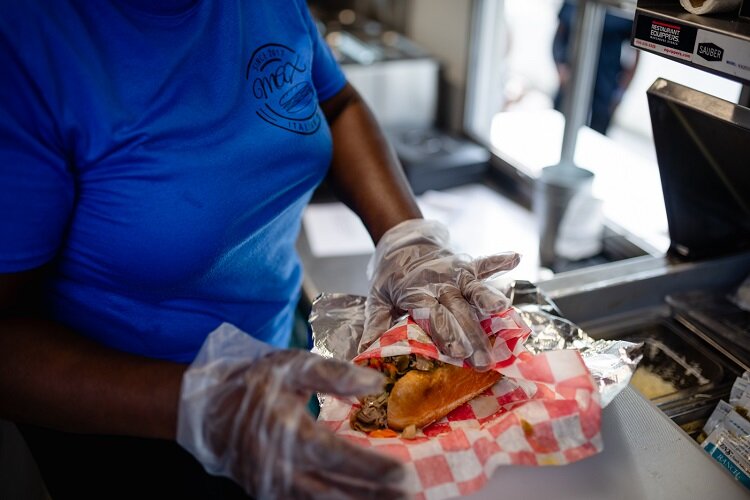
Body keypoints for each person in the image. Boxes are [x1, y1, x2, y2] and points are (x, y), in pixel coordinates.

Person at [0, 1, 517, 498]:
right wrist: (194, 404)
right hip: (135, 424)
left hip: (282, 354)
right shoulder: (27, 44)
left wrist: (408, 239)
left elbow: (334, 103)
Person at [552, 2, 639, 135]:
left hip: (605, 87)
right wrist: (561, 69)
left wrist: (620, 92)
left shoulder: (624, 9)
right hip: (570, 82)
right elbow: (559, 36)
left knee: (596, 136)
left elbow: (634, 53)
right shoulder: (573, 5)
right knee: (557, 129)